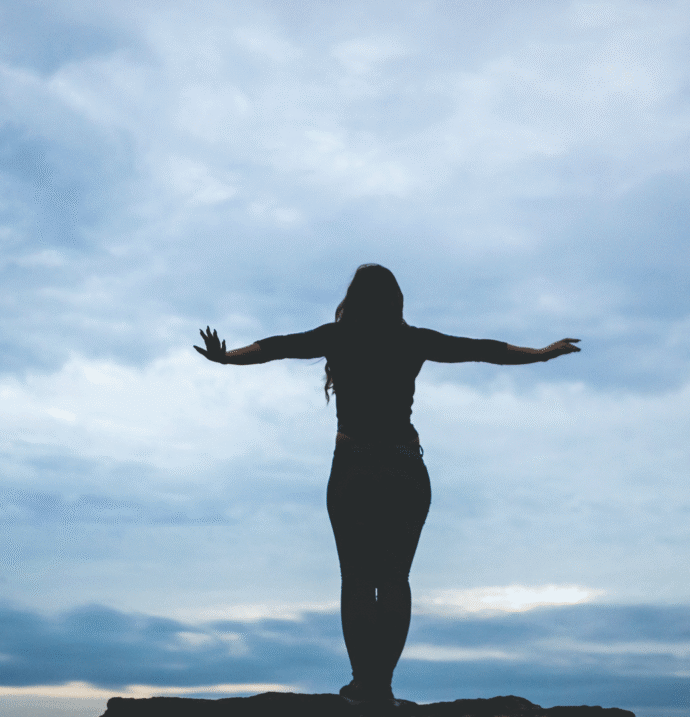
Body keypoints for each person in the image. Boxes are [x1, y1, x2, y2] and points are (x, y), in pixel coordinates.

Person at [195, 264, 580, 707]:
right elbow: (481, 350)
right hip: (403, 468)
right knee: (395, 579)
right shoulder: (412, 339)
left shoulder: (336, 337)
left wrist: (226, 357)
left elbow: (276, 348)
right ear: (396, 301)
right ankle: (382, 686)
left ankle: (365, 686)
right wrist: (541, 353)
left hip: (355, 466)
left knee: (357, 579)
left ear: (352, 300)